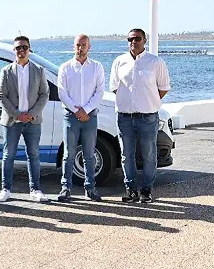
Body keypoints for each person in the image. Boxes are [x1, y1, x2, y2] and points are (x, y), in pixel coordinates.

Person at [110, 28, 171, 203]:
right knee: (126, 154)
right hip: (124, 117)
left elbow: (163, 88)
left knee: (149, 154)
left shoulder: (155, 62)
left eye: (137, 38)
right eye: (130, 39)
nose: (133, 42)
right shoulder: (119, 62)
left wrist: (149, 101)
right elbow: (115, 87)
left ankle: (146, 189)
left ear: (144, 40)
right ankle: (130, 190)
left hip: (148, 117)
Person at [0, 36, 50, 203]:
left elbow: (44, 94)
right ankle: (5, 189)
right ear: (14, 50)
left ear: (29, 49)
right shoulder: (6, 71)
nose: (21, 50)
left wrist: (32, 113)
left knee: (33, 155)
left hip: (32, 121)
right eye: (18, 48)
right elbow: (1, 95)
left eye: (24, 47)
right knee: (8, 155)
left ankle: (35, 189)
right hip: (12, 121)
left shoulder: (39, 70)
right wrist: (17, 114)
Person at [56, 34, 105, 202]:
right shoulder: (65, 67)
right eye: (78, 45)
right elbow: (62, 92)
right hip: (70, 116)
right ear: (73, 46)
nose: (80, 48)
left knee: (89, 155)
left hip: (90, 117)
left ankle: (90, 188)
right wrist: (76, 110)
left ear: (89, 47)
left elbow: (100, 92)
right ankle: (66, 188)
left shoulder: (97, 67)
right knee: (68, 154)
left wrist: (86, 110)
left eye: (84, 45)